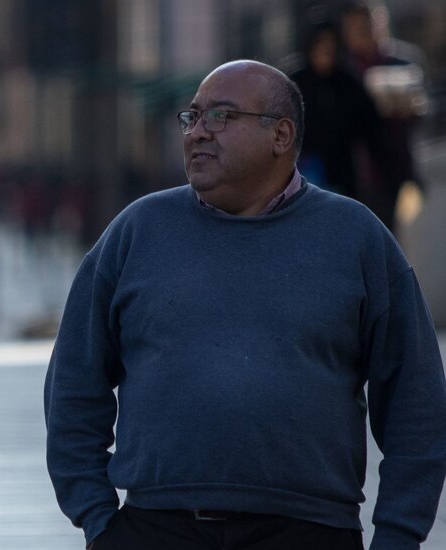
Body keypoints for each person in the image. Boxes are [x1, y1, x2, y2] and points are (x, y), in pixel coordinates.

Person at [44, 60, 446, 550]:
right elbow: (73, 383)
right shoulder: (137, 232)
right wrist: (98, 518)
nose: (197, 133)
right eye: (192, 118)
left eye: (221, 117)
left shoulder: (355, 238)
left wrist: (399, 535)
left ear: (280, 136)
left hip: (309, 531)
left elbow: (417, 402)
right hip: (156, 527)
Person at [341, 2, 429, 232]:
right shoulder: (341, 68)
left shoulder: (404, 62)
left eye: (369, 25)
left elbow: (425, 112)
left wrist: (409, 107)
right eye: (356, 27)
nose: (364, 32)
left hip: (398, 169)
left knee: (399, 242)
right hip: (353, 170)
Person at [289, 22, 385, 200]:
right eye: (320, 45)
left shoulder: (349, 82)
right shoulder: (295, 83)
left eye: (330, 46)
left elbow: (371, 130)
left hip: (343, 173)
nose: (325, 51)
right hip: (303, 172)